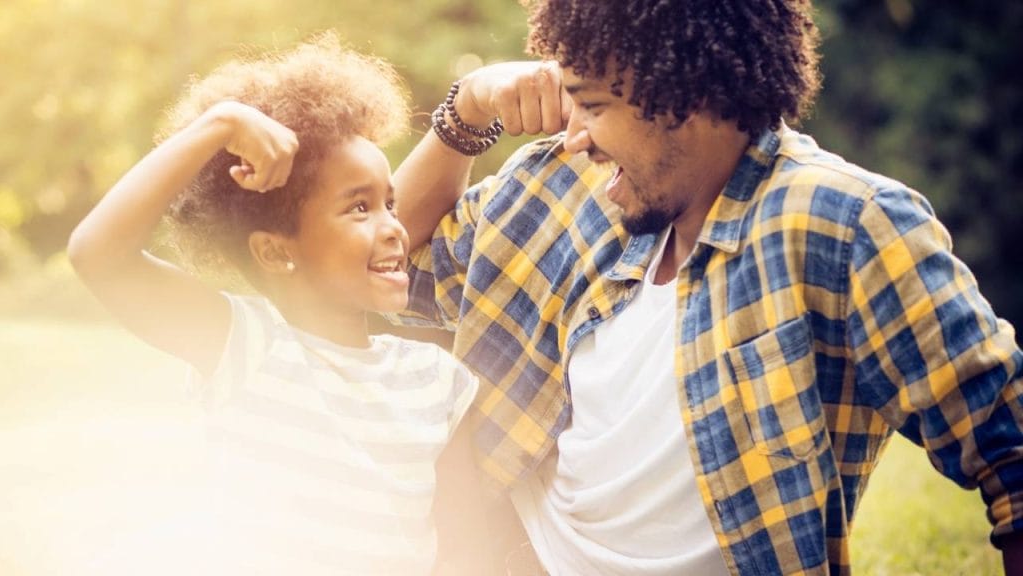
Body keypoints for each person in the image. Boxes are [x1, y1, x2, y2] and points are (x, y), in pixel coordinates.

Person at [390, 1, 1023, 575]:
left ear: (687, 97)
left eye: (595, 105)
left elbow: (1007, 446)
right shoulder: (565, 181)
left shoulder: (843, 223)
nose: (574, 132)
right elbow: (388, 259)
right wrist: (468, 107)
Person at [68, 33, 491, 575]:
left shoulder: (435, 379)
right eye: (359, 208)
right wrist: (219, 126)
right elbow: (97, 254)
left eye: (389, 203)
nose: (393, 228)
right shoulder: (243, 345)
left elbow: (466, 554)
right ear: (274, 251)